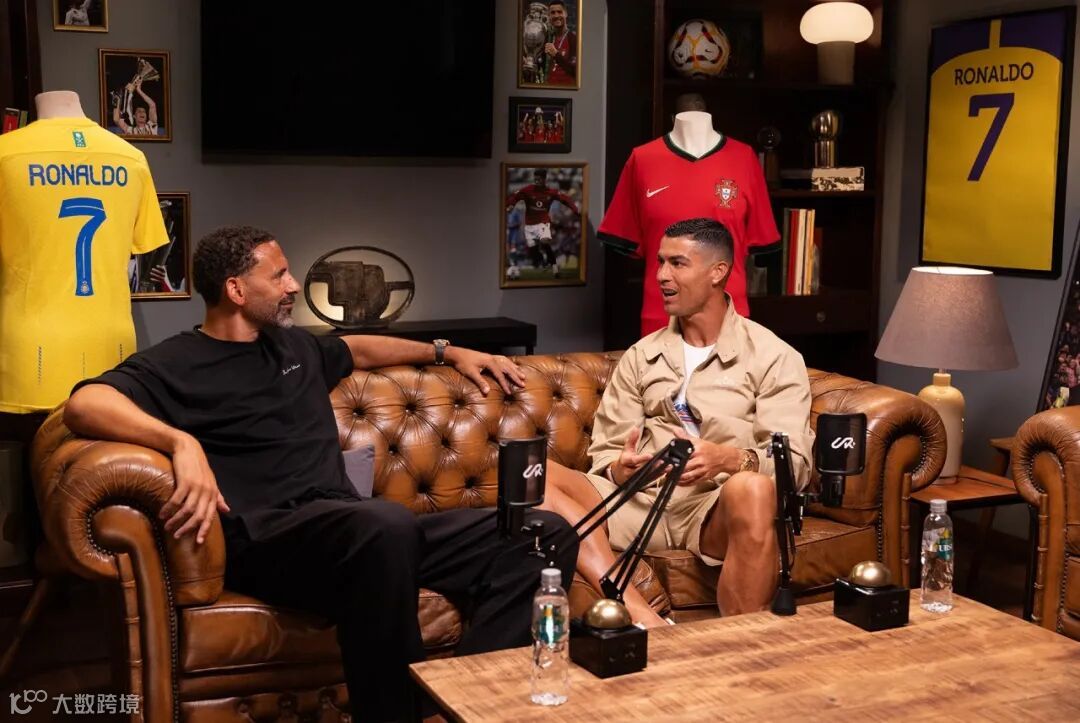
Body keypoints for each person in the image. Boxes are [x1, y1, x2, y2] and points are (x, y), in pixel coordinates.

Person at [63, 225, 579, 722]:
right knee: (385, 525)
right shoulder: (179, 361)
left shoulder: (293, 346)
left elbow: (358, 348)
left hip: (355, 534)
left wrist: (449, 351)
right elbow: (85, 403)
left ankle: (462, 705)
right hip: (268, 542)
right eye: (279, 275)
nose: (293, 285)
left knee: (541, 533)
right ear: (236, 290)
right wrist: (180, 442)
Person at [538, 218, 813, 627]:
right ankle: (638, 610)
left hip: (710, 507)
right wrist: (619, 469)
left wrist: (728, 459)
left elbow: (795, 466)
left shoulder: (773, 357)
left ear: (718, 272)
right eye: (660, 263)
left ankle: (743, 641)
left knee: (754, 489)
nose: (662, 276)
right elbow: (607, 454)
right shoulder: (641, 355)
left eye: (678, 263)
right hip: (638, 500)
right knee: (533, 475)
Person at [504, 168, 579, 277]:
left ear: (544, 180)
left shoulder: (550, 192)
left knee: (545, 242)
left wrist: (575, 209)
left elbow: (564, 199)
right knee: (533, 249)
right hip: (530, 225)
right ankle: (543, 262)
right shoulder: (528, 190)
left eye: (539, 179)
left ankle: (555, 268)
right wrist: (511, 204)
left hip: (543, 223)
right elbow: (516, 196)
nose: (537, 181)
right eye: (535, 179)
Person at [544, 0, 577, 86]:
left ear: (566, 14)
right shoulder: (547, 38)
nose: (556, 15)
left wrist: (556, 55)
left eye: (559, 12)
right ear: (549, 16)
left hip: (566, 90)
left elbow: (574, 70)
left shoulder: (574, 39)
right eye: (553, 13)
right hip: (548, 89)